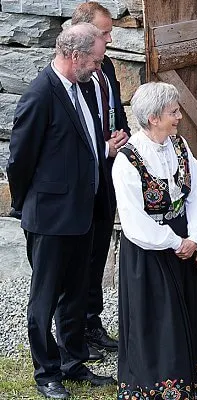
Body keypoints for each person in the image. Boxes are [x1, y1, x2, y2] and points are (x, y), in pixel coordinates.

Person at [7, 23, 116, 399]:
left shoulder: (81, 88)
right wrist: (29, 207)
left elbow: (82, 147)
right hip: (50, 218)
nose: (98, 68)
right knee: (45, 297)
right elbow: (19, 161)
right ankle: (46, 373)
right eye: (95, 60)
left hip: (81, 213)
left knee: (76, 293)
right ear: (74, 56)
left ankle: (73, 362)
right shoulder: (40, 95)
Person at [112, 82, 197, 399]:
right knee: (159, 321)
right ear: (154, 118)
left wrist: (195, 236)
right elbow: (134, 221)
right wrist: (174, 241)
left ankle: (190, 385)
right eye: (173, 112)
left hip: (185, 245)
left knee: (190, 313)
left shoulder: (180, 146)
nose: (180, 117)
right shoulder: (127, 160)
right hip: (150, 252)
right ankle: (156, 388)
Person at [71, 1, 130, 361]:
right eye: (104, 33)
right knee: (80, 257)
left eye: (109, 33)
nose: (109, 40)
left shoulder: (104, 64)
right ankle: (75, 330)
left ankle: (93, 323)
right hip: (85, 175)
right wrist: (100, 146)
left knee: (98, 255)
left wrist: (122, 136)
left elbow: (114, 106)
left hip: (108, 172)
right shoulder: (77, 68)